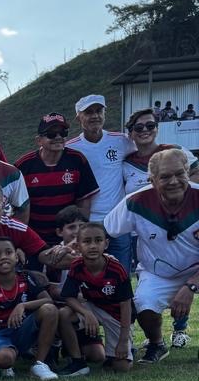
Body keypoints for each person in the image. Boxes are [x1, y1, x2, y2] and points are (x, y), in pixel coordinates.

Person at [104, 149, 199, 364]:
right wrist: (69, 246)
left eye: (179, 174)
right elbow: (105, 230)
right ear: (152, 180)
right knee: (144, 305)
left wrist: (191, 286)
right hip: (159, 273)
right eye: (165, 176)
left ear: (187, 172)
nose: (174, 181)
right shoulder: (136, 201)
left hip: (196, 270)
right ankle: (156, 344)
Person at [66, 95, 136, 272]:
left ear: (105, 113)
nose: (95, 116)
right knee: (91, 276)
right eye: (88, 112)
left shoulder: (121, 140)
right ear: (78, 117)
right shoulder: (70, 148)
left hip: (119, 222)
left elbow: (145, 152)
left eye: (99, 111)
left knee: (121, 274)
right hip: (89, 223)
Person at [0, 237, 60, 381]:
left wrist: (23, 305)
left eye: (8, 252)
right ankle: (6, 364)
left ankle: (39, 364)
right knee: (4, 359)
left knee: (50, 309)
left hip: (24, 330)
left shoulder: (27, 278)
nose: (3, 257)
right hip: (2, 335)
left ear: (16, 257)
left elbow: (48, 300)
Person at [14, 113, 99, 251]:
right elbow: (16, 207)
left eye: (63, 132)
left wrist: (78, 235)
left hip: (69, 239)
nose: (58, 137)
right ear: (39, 140)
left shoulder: (77, 160)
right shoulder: (23, 165)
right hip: (33, 238)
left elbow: (84, 203)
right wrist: (21, 241)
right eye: (51, 134)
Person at [58, 222, 134, 374]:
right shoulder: (77, 265)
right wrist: (86, 313)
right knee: (64, 314)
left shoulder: (116, 268)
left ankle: (122, 351)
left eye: (98, 240)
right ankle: (77, 362)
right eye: (87, 241)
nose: (93, 246)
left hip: (117, 315)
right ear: (78, 246)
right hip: (92, 307)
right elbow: (68, 297)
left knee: (121, 367)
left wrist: (123, 341)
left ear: (106, 244)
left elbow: (126, 304)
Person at [0, 181, 65, 272]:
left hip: (4, 288)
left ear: (3, 206)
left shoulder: (15, 228)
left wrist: (72, 256)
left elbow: (45, 254)